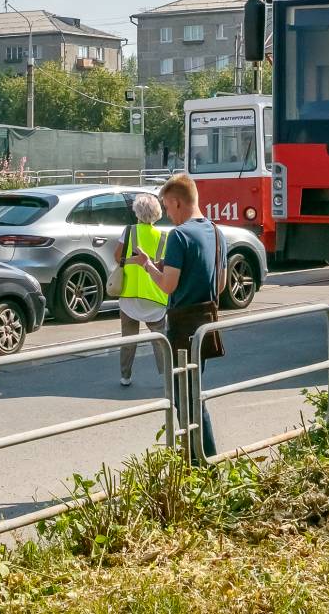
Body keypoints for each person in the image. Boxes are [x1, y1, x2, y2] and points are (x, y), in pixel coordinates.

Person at [131, 173, 223, 460]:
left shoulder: (179, 236)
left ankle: (203, 462)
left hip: (182, 325)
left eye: (167, 208)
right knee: (194, 392)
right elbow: (219, 283)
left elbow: (168, 285)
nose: (167, 215)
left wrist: (148, 265)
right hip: (206, 322)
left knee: (186, 398)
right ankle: (200, 459)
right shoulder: (215, 231)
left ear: (176, 202)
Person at [115, 193, 169, 386]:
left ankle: (125, 376)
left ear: (137, 212)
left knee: (128, 339)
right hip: (155, 296)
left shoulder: (129, 231)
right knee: (160, 340)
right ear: (157, 213)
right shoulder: (164, 236)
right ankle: (167, 377)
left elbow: (117, 257)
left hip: (129, 294)